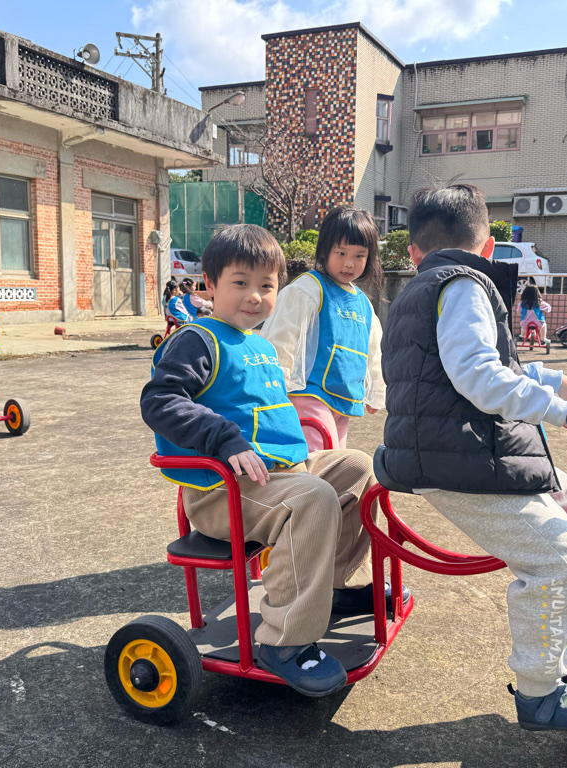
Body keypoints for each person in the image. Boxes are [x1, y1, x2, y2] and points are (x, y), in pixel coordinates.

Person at [377, 183, 567, 740]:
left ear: (413, 252)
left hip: (459, 449)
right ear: (488, 247)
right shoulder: (464, 284)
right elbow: (479, 377)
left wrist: (558, 380)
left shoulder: (424, 288)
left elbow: (490, 365)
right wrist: (563, 413)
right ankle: (541, 694)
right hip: (452, 460)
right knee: (558, 560)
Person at [140, 224, 405, 698]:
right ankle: (285, 640)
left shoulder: (260, 344)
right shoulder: (198, 339)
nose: (254, 296)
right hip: (222, 492)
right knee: (313, 498)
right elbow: (159, 400)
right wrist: (223, 438)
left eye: (266, 286)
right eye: (240, 282)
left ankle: (334, 587)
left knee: (358, 467)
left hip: (277, 477)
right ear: (209, 284)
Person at [261, 206, 385, 451]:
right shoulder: (308, 289)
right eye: (341, 253)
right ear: (325, 250)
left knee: (336, 461)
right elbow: (283, 338)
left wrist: (375, 392)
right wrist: (278, 385)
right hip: (309, 394)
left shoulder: (363, 303)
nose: (349, 263)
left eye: (359, 256)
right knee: (321, 461)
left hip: (344, 399)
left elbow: (373, 352)